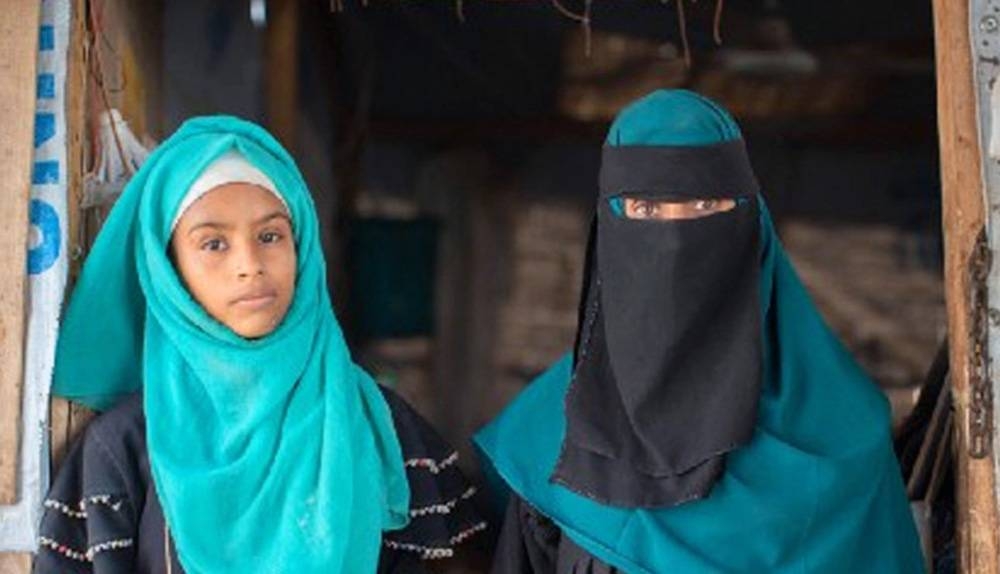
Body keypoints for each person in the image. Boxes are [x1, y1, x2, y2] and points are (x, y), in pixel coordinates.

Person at [475, 90, 924, 573]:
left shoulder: (844, 436)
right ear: (606, 227)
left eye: (705, 203)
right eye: (647, 211)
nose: (674, 242)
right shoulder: (550, 435)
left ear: (755, 226)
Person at [34, 116, 485, 573]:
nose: (249, 265)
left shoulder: (379, 425)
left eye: (270, 236)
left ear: (301, 249)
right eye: (213, 244)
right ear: (168, 271)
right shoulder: (124, 448)